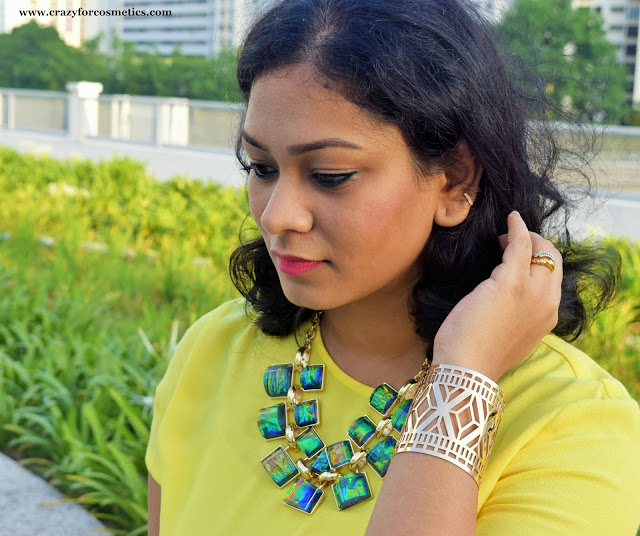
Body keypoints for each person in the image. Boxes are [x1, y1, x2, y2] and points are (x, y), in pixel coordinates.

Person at [146, 0, 640, 534]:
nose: (276, 216)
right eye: (261, 168)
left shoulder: (574, 426)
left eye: (330, 175)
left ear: (455, 180)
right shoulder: (212, 351)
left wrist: (462, 378)